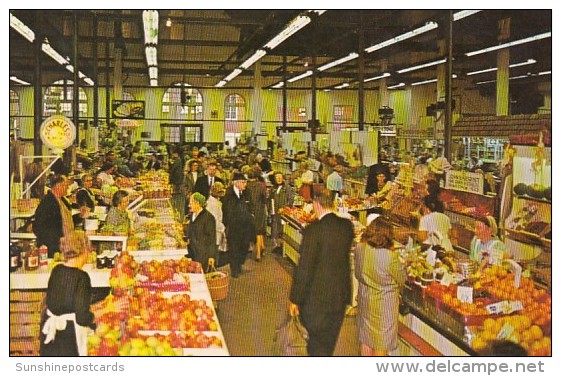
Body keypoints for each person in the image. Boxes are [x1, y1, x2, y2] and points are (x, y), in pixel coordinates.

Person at [289, 186, 354, 356]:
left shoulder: (313, 231)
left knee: (316, 346)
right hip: (339, 298)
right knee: (328, 343)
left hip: (316, 300)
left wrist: (295, 299)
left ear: (316, 204)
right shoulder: (347, 227)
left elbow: (305, 268)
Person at [40, 231, 108, 356]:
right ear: (84, 252)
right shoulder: (82, 277)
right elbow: (82, 318)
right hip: (69, 338)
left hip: (51, 332)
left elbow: (66, 305)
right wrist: (108, 309)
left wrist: (96, 307)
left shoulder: (57, 270)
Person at [355, 214, 406, 356]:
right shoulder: (390, 257)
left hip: (365, 301)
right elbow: (402, 279)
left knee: (365, 339)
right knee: (380, 343)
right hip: (384, 307)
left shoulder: (360, 248)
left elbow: (357, 274)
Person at [33, 174, 75, 258]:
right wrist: (57, 241)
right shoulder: (47, 203)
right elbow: (38, 227)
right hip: (54, 249)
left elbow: (64, 220)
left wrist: (80, 216)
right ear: (58, 186)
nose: (67, 188)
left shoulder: (62, 200)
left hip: (65, 245)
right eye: (66, 185)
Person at [222, 172, 255, 278]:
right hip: (233, 227)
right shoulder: (228, 194)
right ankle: (234, 268)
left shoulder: (247, 193)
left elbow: (251, 206)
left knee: (244, 247)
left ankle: (239, 263)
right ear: (236, 183)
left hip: (246, 226)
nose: (245, 184)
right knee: (234, 248)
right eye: (243, 182)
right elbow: (225, 210)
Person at [187, 193, 218, 270]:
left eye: (191, 203)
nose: (189, 205)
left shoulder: (209, 218)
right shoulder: (193, 215)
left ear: (197, 203)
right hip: (193, 252)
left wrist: (211, 256)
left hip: (203, 255)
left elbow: (212, 238)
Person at [269, 171, 294, 255]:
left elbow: (291, 200)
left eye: (280, 177)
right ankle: (278, 246)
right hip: (275, 212)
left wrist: (284, 208)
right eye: (277, 177)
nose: (279, 179)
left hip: (284, 213)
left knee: (283, 230)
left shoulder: (287, 188)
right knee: (276, 229)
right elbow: (271, 199)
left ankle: (282, 247)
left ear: (283, 178)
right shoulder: (273, 188)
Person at [246, 166, 268, 261]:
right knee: (259, 231)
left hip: (249, 210)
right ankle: (259, 253)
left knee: (254, 231)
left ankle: (261, 247)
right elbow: (264, 199)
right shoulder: (261, 186)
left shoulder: (246, 185)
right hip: (260, 210)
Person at [206, 182, 227, 256]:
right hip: (214, 232)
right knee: (213, 254)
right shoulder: (213, 204)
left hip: (215, 231)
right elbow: (214, 220)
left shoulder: (214, 202)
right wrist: (223, 228)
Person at [169, 147, 186, 222]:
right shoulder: (179, 160)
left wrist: (171, 181)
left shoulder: (178, 161)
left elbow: (174, 172)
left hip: (176, 181)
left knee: (176, 197)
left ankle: (176, 212)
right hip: (177, 180)